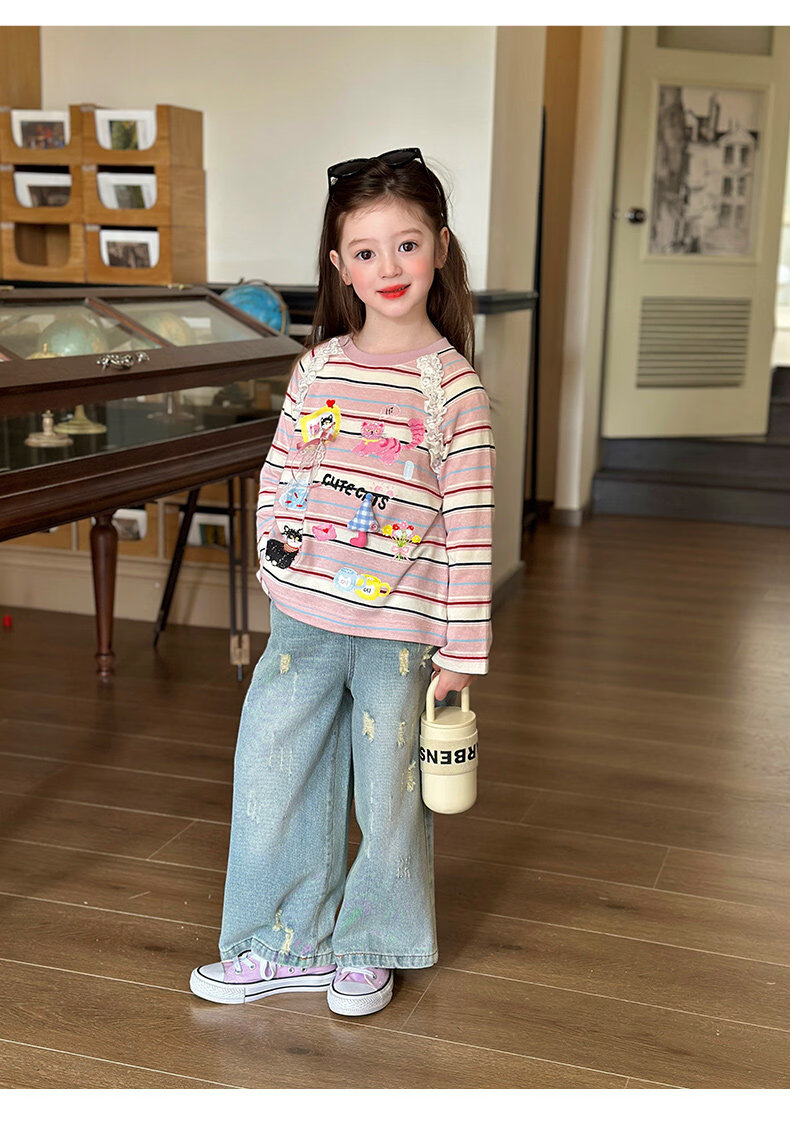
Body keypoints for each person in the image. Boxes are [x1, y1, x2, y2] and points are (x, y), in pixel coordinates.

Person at [190, 147, 495, 1017]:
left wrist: (462, 649)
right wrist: (273, 560)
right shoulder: (317, 367)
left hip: (401, 632)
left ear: (439, 247)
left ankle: (371, 945)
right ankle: (280, 940)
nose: (388, 266)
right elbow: (280, 470)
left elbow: (470, 526)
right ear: (339, 265)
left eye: (407, 244)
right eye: (366, 251)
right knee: (273, 769)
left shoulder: (454, 389)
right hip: (302, 618)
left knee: (388, 787)